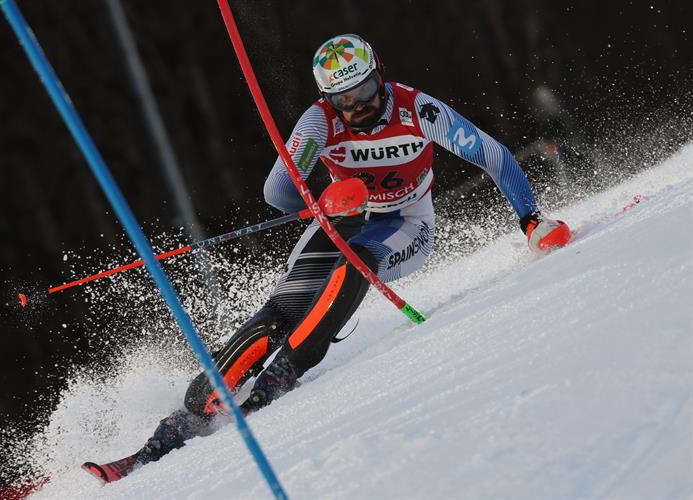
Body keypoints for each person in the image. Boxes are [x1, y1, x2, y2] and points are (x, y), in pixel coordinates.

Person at [82, 34, 571, 483]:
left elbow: (493, 155)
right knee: (284, 309)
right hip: (342, 215)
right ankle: (180, 421)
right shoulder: (319, 121)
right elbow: (278, 191)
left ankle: (284, 373)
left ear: (377, 76)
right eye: (341, 99)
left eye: (362, 92)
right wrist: (318, 200)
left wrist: (530, 220)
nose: (354, 106)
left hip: (407, 224)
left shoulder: (416, 109)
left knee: (357, 259)